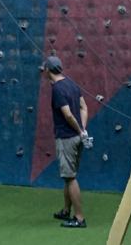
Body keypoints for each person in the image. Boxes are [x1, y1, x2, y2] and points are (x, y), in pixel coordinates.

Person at [44, 55, 89, 229]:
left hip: (67, 138)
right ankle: (66, 210)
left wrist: (78, 129)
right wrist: (83, 130)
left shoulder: (57, 89)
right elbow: (84, 107)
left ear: (48, 70)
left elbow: (68, 114)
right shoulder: (71, 83)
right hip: (77, 137)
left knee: (70, 178)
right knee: (68, 176)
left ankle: (79, 218)